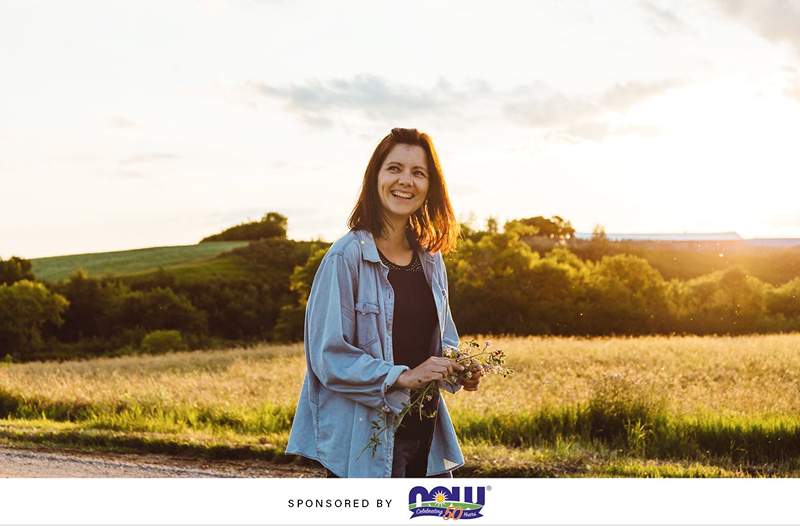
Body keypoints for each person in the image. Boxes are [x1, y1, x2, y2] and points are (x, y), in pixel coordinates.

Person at [285, 128, 482, 478]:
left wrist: (459, 366)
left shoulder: (431, 259)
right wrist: (402, 377)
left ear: (430, 185)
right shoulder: (344, 258)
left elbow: (443, 339)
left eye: (418, 172)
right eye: (394, 168)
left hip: (425, 430)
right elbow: (327, 357)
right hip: (366, 441)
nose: (405, 180)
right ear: (375, 177)